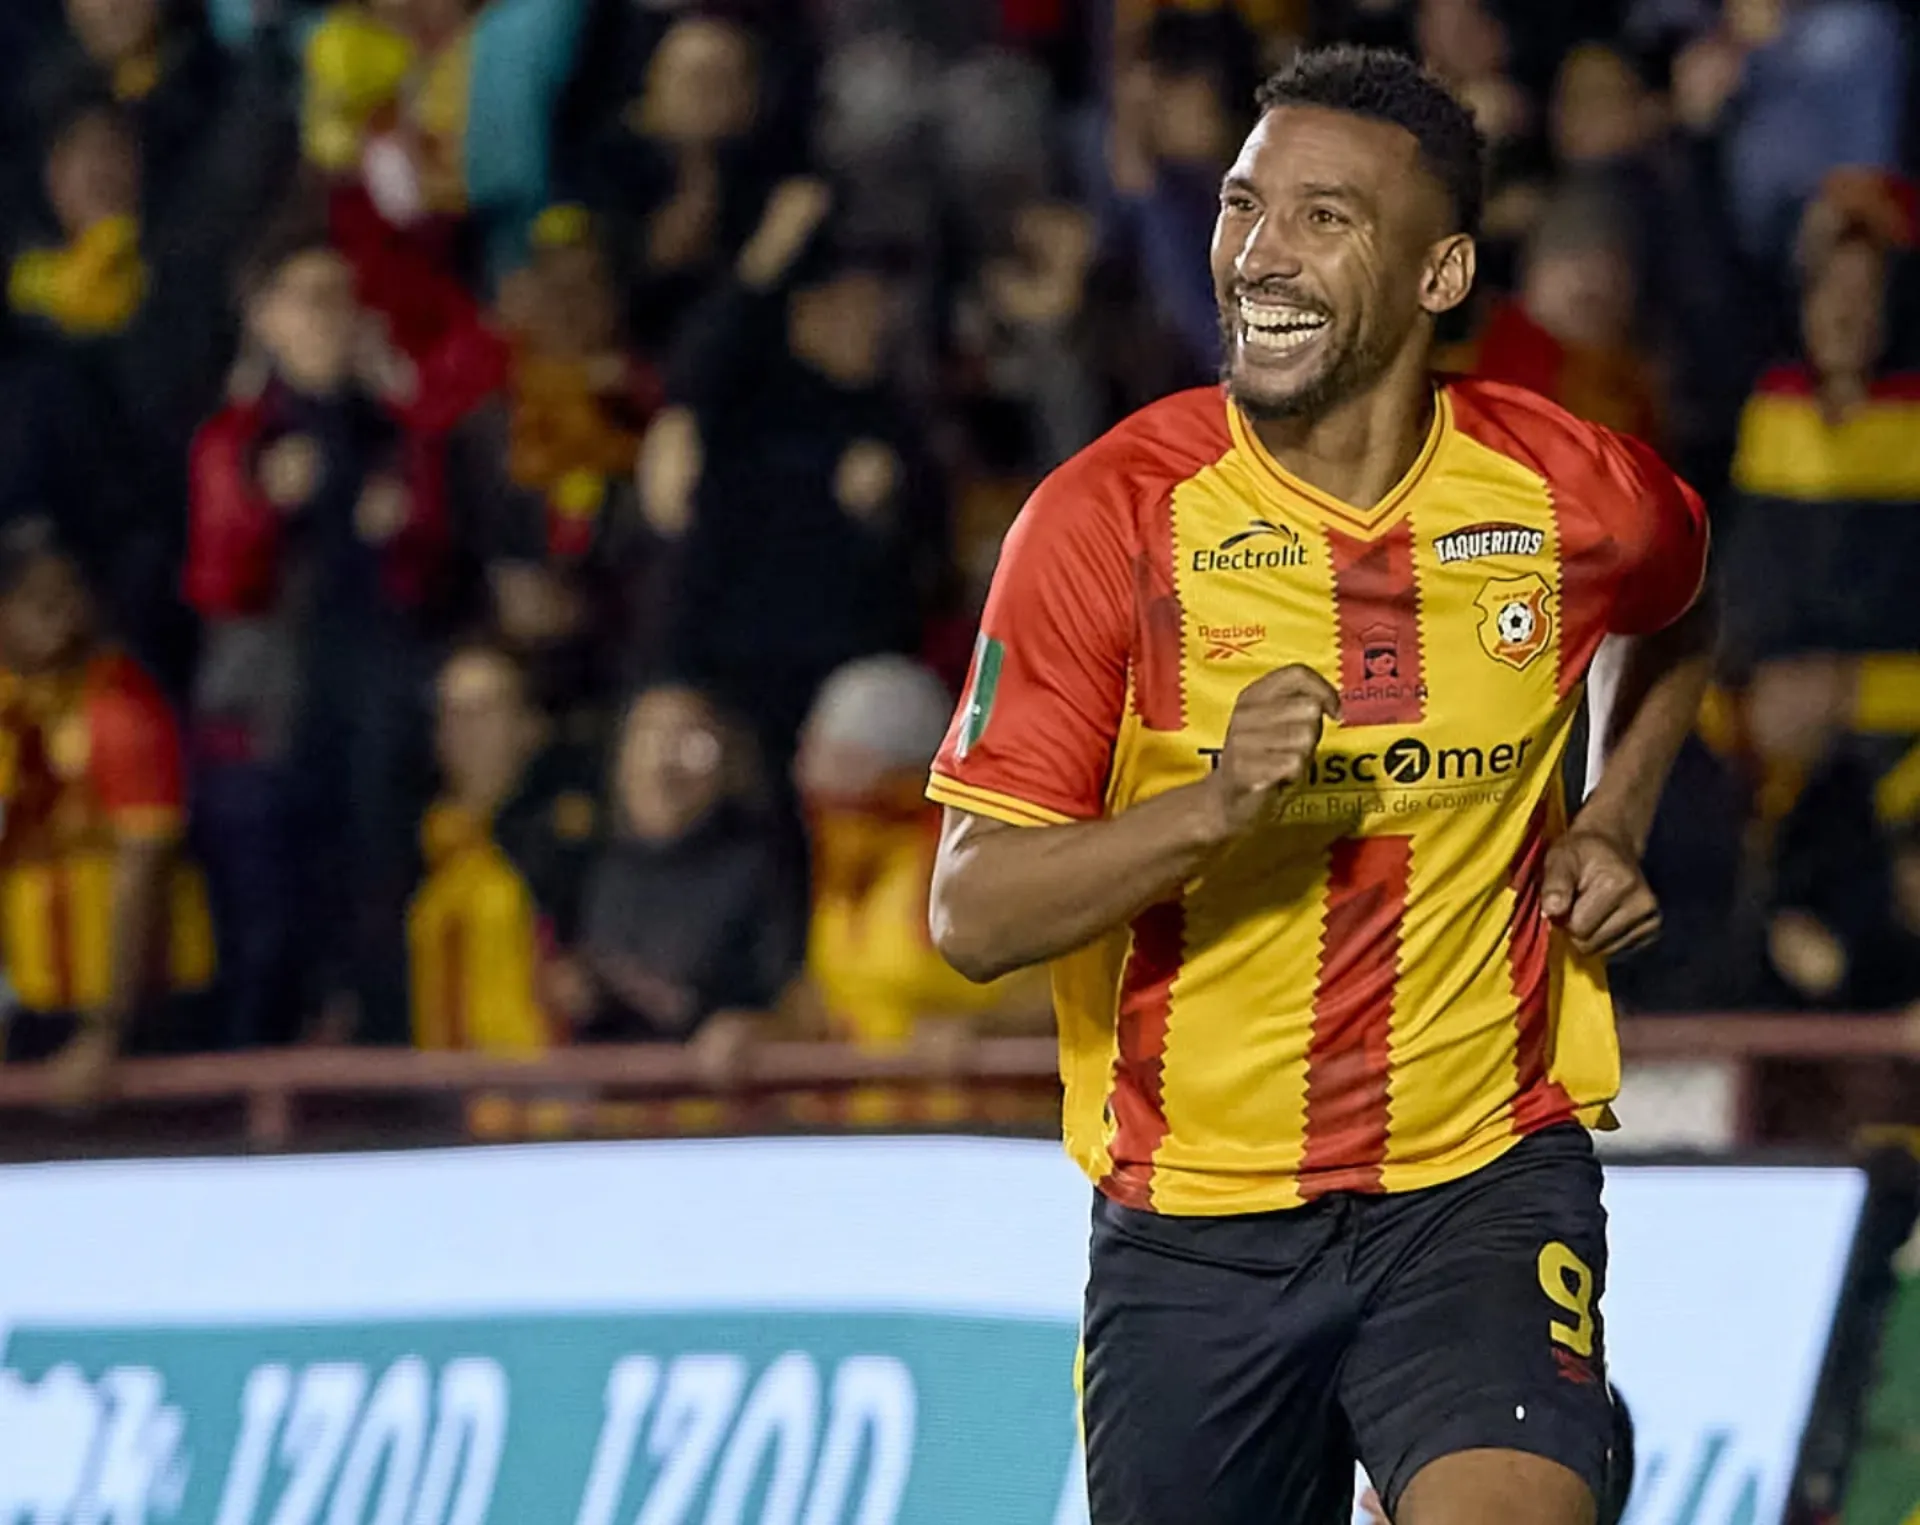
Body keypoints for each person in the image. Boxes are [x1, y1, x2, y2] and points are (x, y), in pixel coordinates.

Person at [926, 45, 1712, 1525]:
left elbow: (1681, 605)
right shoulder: (1110, 520)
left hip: (1480, 1180)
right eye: (1242, 205)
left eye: (1324, 218)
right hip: (1193, 1232)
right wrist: (1212, 810)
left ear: (1440, 271)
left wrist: (1616, 808)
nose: (1260, 256)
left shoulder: (1570, 495)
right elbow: (971, 914)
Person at [0, 520, 213, 1096]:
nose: (57, 613)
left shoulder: (122, 704)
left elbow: (140, 871)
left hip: (128, 1008)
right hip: (29, 998)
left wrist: (105, 1031)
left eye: (67, 594)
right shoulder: (10, 707)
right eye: (33, 599)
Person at [408, 642, 599, 1054]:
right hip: (433, 1093)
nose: (464, 731)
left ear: (530, 726)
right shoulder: (425, 844)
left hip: (542, 1092)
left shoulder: (569, 840)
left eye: (484, 712)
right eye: (451, 713)